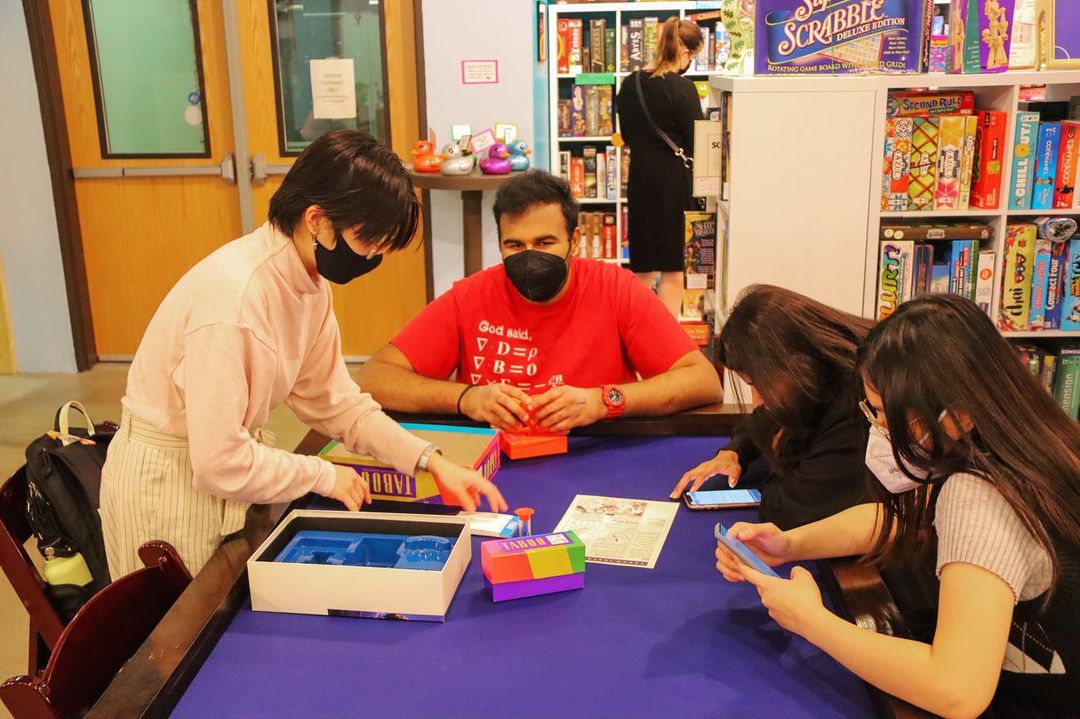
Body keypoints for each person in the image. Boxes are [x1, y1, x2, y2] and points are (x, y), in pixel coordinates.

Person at [100, 131, 506, 579]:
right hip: (168, 484)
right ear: (316, 219)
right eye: (367, 241)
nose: (371, 258)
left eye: (381, 249)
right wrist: (322, 475)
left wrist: (431, 460)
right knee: (180, 634)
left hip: (216, 471)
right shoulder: (235, 301)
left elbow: (338, 404)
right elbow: (217, 462)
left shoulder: (306, 283)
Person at [715, 294, 1080, 719]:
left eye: (887, 418)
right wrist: (789, 545)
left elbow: (956, 689)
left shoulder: (979, 495)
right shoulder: (1035, 445)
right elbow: (902, 517)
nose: (878, 431)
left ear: (956, 416)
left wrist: (811, 620)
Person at [356, 170, 722, 433]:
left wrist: (603, 401)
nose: (529, 256)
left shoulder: (616, 289)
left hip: (595, 451)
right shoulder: (470, 296)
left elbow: (702, 381)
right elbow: (374, 378)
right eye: (514, 245)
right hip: (496, 463)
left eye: (545, 243)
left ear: (574, 241)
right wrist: (466, 398)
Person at [671, 285, 871, 529]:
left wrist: (779, 456)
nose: (757, 399)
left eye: (758, 384)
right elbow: (759, 420)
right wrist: (733, 452)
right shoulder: (820, 375)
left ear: (794, 366)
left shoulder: (855, 408)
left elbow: (785, 512)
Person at [615, 17, 704, 316]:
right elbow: (698, 142)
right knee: (672, 269)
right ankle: (665, 342)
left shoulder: (630, 84)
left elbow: (626, 135)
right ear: (686, 52)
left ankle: (634, 338)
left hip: (640, 180)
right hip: (674, 185)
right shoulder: (683, 89)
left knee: (642, 267)